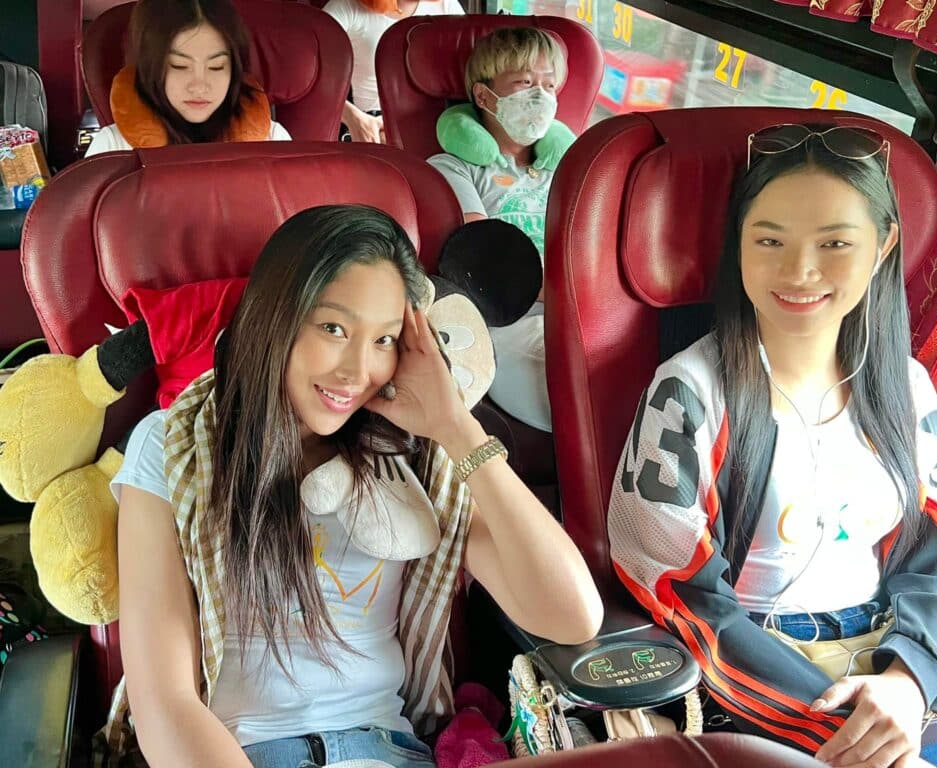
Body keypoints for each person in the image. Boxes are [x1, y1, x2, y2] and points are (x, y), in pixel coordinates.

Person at [102, 205, 603, 767]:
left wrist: (455, 426)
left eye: (384, 340)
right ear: (276, 317)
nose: (356, 371)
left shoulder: (416, 456)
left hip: (388, 750)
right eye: (334, 329)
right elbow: (164, 702)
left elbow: (571, 616)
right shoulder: (173, 445)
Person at [608, 125, 937, 768]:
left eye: (835, 243)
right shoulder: (689, 392)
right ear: (738, 244)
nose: (800, 271)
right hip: (757, 675)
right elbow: (678, 589)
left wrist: (910, 680)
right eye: (769, 241)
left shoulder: (905, 388)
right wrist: (839, 726)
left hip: (893, 661)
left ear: (882, 246)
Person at [428, 28, 575, 433]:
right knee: (566, 388)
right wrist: (562, 290)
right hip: (510, 317)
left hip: (579, 304)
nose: (540, 96)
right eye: (525, 83)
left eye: (549, 85)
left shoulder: (571, 168)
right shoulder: (452, 168)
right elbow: (484, 260)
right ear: (484, 96)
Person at [85, 0, 290, 157]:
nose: (199, 86)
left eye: (216, 67)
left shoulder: (272, 140)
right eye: (179, 66)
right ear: (150, 68)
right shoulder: (112, 148)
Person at [322, 0, 464, 144]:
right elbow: (313, 76)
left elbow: (467, 72)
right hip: (374, 121)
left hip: (436, 120)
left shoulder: (447, 6)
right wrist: (353, 117)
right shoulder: (346, 6)